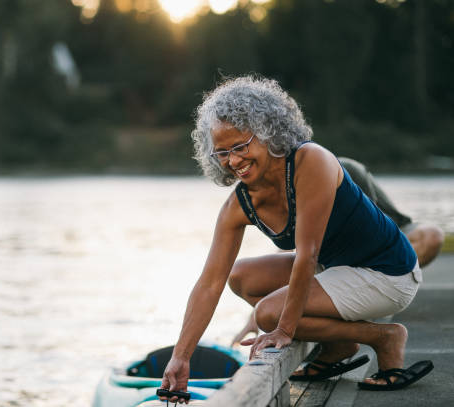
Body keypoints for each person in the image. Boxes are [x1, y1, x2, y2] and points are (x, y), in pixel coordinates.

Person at [158, 76, 433, 404]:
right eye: (222, 152)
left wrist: (285, 330)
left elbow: (308, 254)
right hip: (336, 270)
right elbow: (209, 283)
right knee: (240, 277)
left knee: (268, 314)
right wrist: (181, 356)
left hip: (388, 273)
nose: (233, 161)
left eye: (241, 146)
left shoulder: (310, 161)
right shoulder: (239, 204)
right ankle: (339, 344)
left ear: (268, 132)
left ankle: (384, 337)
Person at [230, 157, 445, 346]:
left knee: (432, 235)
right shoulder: (296, 185)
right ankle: (340, 340)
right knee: (255, 292)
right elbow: (297, 254)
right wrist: (253, 319)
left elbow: (369, 228)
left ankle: (372, 309)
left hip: (385, 242)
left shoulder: (346, 174)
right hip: (335, 255)